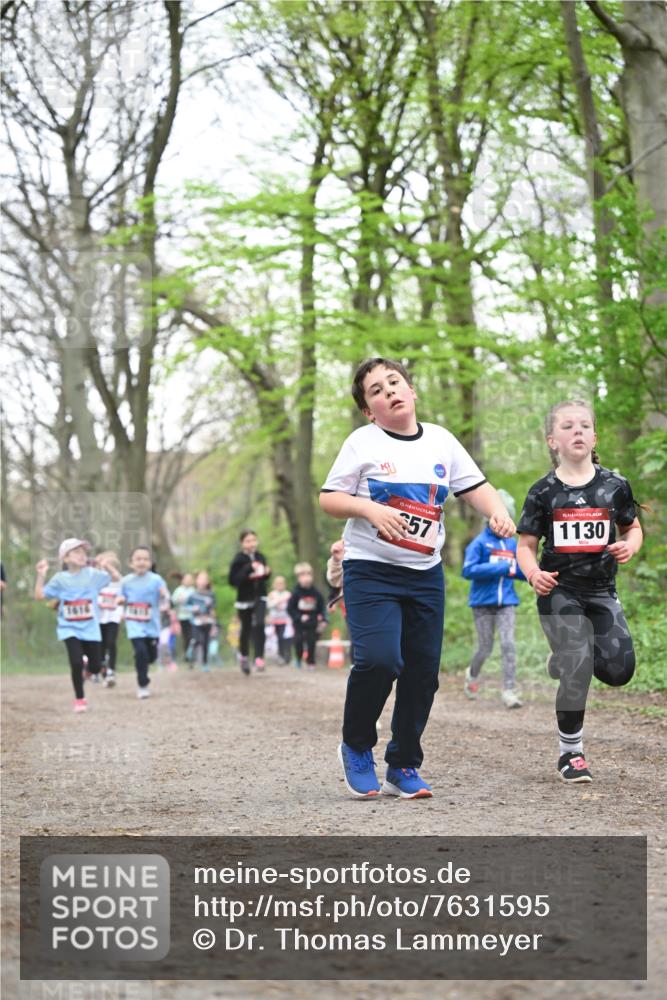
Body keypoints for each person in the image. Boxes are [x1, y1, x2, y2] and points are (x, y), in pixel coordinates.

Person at [320, 357, 515, 800]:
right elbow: (329, 498)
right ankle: (355, 745)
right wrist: (369, 508)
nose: (389, 391)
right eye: (376, 390)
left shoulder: (441, 441)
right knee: (379, 661)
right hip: (370, 569)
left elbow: (475, 486)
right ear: (370, 411)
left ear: (412, 391)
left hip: (424, 573)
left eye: (395, 382)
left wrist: (498, 512)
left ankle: (404, 763)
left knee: (422, 672)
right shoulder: (362, 443)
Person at [516, 400, 643, 784]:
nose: (577, 431)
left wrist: (630, 546)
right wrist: (533, 572)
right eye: (568, 426)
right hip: (559, 591)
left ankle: (567, 656)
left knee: (620, 672)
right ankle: (571, 754)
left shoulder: (614, 486)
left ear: (594, 436)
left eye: (584, 425)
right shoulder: (543, 491)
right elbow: (525, 546)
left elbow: (632, 528)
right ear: (552, 440)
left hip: (602, 590)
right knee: (578, 661)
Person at [34, 538, 120, 712]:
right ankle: (80, 699)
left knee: (96, 667)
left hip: (91, 629)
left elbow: (116, 578)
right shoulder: (60, 579)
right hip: (69, 628)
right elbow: (40, 595)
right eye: (77, 552)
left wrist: (106, 565)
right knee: (75, 663)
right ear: (65, 558)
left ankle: (90, 669)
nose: (82, 555)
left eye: (84, 552)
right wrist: (41, 575)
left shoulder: (92, 575)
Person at [461, 489, 527, 709]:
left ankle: (509, 690)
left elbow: (518, 570)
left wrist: (533, 575)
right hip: (482, 603)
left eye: (506, 518)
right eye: (498, 518)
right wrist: (499, 567)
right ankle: (472, 673)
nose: (502, 523)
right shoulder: (479, 544)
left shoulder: (512, 544)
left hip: (507, 602)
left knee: (508, 644)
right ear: (488, 519)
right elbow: (468, 570)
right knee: (486, 647)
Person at [117, 546, 169, 699]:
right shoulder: (126, 581)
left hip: (152, 624)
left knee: (150, 656)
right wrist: (120, 601)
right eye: (138, 559)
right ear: (131, 563)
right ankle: (143, 683)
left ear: (150, 562)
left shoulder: (156, 579)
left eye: (145, 559)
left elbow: (165, 597)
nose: (142, 562)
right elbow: (121, 597)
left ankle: (144, 662)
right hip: (134, 624)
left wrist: (163, 595)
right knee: (140, 652)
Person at [228, 530, 271, 674]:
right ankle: (244, 657)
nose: (251, 543)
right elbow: (233, 581)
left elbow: (263, 577)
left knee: (260, 624)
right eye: (248, 541)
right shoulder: (238, 559)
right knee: (246, 629)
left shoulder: (261, 557)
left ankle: (259, 657)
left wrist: (267, 573)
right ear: (242, 543)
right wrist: (248, 568)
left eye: (253, 540)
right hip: (244, 598)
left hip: (260, 596)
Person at [287, 563, 327, 670]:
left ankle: (311, 661)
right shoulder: (295, 592)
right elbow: (290, 608)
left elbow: (321, 607)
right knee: (298, 640)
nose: (305, 578)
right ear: (298, 578)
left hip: (312, 620)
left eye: (308, 575)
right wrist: (299, 617)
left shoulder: (316, 593)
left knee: (311, 641)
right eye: (302, 575)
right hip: (299, 621)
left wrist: (323, 619)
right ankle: (299, 658)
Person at [95, 550, 123, 688]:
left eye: (110, 567)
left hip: (113, 618)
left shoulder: (117, 582)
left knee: (111, 643)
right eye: (104, 567)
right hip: (99, 619)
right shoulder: (97, 581)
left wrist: (107, 565)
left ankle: (111, 670)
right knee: (100, 645)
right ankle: (102, 668)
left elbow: (116, 576)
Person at [185, 571, 217, 671]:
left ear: (208, 581)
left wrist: (214, 624)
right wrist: (192, 608)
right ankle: (191, 650)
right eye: (201, 578)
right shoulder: (193, 594)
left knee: (206, 642)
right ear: (196, 581)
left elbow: (212, 609)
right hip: (196, 621)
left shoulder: (211, 594)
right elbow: (186, 606)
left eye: (205, 579)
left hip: (207, 621)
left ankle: (205, 663)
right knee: (197, 639)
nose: (203, 581)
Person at [267, 575, 292, 664]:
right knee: (278, 638)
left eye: (281, 583)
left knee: (285, 638)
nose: (280, 585)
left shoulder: (288, 594)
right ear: (274, 584)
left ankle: (287, 656)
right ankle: (280, 655)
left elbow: (291, 606)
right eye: (278, 583)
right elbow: (269, 605)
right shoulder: (271, 594)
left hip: (286, 620)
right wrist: (278, 601)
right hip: (275, 620)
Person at [171, 572, 194, 660]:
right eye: (186, 579)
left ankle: (191, 654)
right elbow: (173, 601)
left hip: (192, 617)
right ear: (183, 580)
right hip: (182, 617)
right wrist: (178, 600)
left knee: (192, 636)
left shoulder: (193, 590)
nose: (188, 581)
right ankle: (187, 655)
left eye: (190, 580)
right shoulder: (178, 590)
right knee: (186, 636)